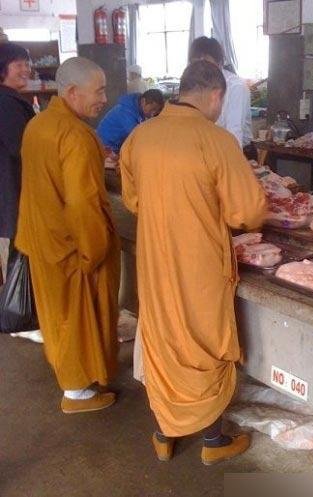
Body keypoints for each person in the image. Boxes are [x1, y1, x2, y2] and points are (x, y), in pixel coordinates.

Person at [120, 60, 266, 465]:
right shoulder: (216, 140)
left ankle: (164, 433)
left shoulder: (140, 136)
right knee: (202, 344)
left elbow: (133, 200)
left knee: (165, 340)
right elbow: (248, 212)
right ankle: (213, 442)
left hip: (154, 259)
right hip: (199, 264)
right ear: (216, 95)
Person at [15, 57, 121, 413]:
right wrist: (94, 253)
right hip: (70, 248)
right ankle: (77, 393)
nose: (104, 99)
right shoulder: (77, 136)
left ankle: (73, 382)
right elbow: (83, 204)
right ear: (73, 92)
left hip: (41, 239)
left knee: (58, 317)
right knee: (77, 322)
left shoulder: (38, 124)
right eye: (99, 91)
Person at [0, 42, 43, 343]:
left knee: (19, 251)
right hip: (12, 190)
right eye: (19, 64)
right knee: (20, 251)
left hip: (12, 188)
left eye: (27, 64)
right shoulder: (6, 103)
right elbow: (22, 146)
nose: (26, 69)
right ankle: (18, 314)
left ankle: (19, 313)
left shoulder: (12, 99)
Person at [189, 36, 253, 150]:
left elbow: (234, 133)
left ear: (219, 63)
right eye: (196, 64)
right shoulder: (196, 86)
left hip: (236, 150)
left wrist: (231, 159)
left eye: (207, 64)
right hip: (210, 148)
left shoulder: (235, 87)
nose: (202, 69)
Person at [97, 89, 164, 154]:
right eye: (152, 109)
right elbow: (137, 139)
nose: (153, 114)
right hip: (104, 146)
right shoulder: (127, 112)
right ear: (143, 101)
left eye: (156, 111)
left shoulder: (137, 108)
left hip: (116, 145)